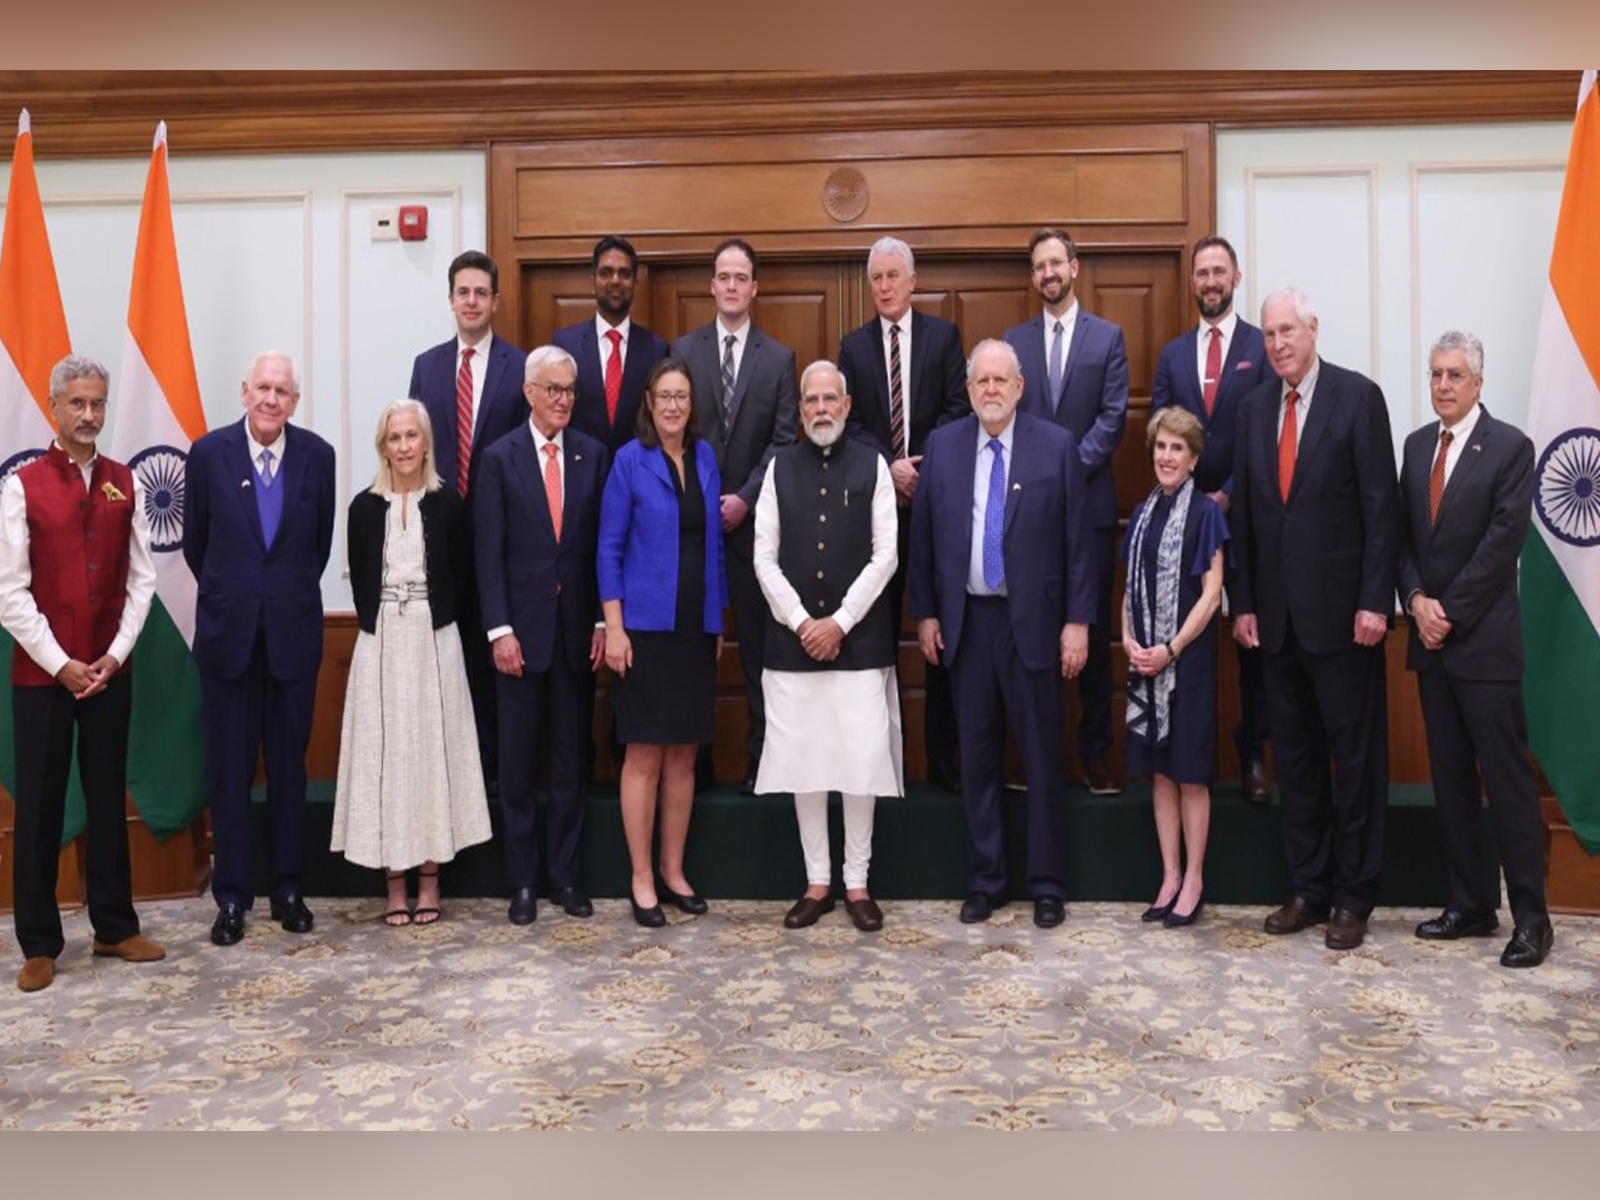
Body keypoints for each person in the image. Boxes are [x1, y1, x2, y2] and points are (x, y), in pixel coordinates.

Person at [1230, 288, 1399, 951]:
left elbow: (1382, 510)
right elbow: (1248, 517)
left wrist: (1375, 600)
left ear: (1313, 329)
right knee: (1296, 763)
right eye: (1270, 333)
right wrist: (1243, 601)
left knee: (1353, 763)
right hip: (1275, 623)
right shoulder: (1252, 410)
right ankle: (1308, 887)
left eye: (1288, 331)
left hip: (1346, 620)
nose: (1278, 343)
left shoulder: (1358, 398)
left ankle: (1354, 897)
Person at [909, 339, 1094, 928]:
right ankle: (985, 881)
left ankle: (1047, 884)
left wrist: (1077, 623)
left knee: (1041, 757)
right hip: (968, 623)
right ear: (968, 391)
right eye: (981, 381)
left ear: (1020, 387)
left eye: (1000, 380)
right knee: (979, 759)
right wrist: (927, 613)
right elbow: (924, 538)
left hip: (1034, 623)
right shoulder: (943, 446)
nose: (991, 389)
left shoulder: (1056, 446)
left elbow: (1079, 543)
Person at [0, 355, 165, 991]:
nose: (89, 414)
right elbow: (10, 592)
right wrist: (61, 664)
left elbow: (142, 580)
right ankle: (39, 943)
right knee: (40, 805)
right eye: (77, 403)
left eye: (97, 403)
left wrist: (114, 656)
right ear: (54, 408)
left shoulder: (126, 482)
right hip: (44, 676)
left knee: (106, 794)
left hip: (107, 672)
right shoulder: (22, 486)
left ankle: (114, 927)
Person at [1399, 332, 1551, 968]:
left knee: (1508, 787)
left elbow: (1501, 545)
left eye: (1455, 375)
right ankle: (1471, 904)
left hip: (1484, 648)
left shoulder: (1511, 448)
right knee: (1452, 781)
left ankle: (1533, 921)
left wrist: (1447, 613)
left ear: (1479, 382)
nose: (1443, 385)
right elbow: (1403, 540)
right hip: (1431, 648)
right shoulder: (1415, 447)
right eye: (1435, 374)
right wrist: (1415, 601)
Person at [184, 351, 336, 947]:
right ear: (245, 391)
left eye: (283, 391)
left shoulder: (318, 456)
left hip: (292, 638)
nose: (272, 399)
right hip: (229, 640)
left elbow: (318, 546)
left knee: (289, 772)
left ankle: (288, 890)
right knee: (229, 771)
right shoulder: (207, 454)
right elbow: (197, 545)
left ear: (295, 401)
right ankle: (231, 898)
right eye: (263, 388)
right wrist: (240, 596)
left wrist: (276, 596)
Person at [753, 361, 902, 932]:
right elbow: (763, 557)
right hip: (792, 646)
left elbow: (885, 555)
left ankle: (857, 882)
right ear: (801, 408)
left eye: (829, 399)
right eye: (811, 400)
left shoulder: (873, 465)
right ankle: (817, 883)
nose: (820, 409)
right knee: (806, 764)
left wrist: (838, 622)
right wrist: (801, 622)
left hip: (859, 643)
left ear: (845, 405)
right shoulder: (778, 468)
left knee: (862, 764)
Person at [332, 400, 491, 926]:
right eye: (394, 437)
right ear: (383, 447)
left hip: (435, 639)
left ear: (426, 444)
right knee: (386, 758)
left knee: (429, 755)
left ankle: (429, 880)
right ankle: (394, 885)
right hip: (380, 642)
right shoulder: (362, 507)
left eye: (411, 436)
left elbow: (462, 579)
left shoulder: (449, 505)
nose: (403, 446)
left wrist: (430, 619)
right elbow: (361, 578)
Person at [475, 345, 608, 925]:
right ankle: (523, 881)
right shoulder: (498, 458)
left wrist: (602, 620)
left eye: (570, 391)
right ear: (529, 393)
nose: (563, 400)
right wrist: (499, 629)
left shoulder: (593, 455)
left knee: (569, 764)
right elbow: (488, 552)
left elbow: (603, 546)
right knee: (519, 765)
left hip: (577, 634)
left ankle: (566, 878)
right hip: (519, 639)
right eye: (553, 389)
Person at [598, 359, 728, 927]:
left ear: (691, 405)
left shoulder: (704, 458)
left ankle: (673, 872)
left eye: (682, 396)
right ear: (649, 404)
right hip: (644, 632)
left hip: (693, 630)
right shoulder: (629, 461)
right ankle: (642, 877)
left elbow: (713, 548)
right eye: (664, 396)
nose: (673, 406)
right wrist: (614, 627)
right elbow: (608, 549)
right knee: (645, 755)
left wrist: (715, 622)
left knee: (683, 755)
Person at [839, 236, 967, 792]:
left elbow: (958, 409)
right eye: (877, 278)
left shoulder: (944, 337)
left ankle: (943, 761)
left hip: (935, 507)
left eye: (894, 276)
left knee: (940, 633)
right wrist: (890, 467)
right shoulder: (853, 347)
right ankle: (882, 761)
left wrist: (922, 466)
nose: (885, 286)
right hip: (877, 515)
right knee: (877, 637)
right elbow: (850, 422)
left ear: (913, 282)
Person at [1005, 227, 1129, 796]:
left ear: (1074, 268)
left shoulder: (1108, 338)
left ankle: (1095, 756)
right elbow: (1006, 419)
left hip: (1091, 512)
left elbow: (1112, 418)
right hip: (1028, 515)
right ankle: (1034, 757)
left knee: (1093, 636)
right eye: (1039, 266)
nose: (1048, 273)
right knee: (1031, 634)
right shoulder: (1014, 343)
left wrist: (1064, 472)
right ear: (1033, 276)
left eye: (1056, 263)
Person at [673, 238, 798, 793]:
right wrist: (705, 499)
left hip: (755, 530)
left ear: (754, 287)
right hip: (693, 530)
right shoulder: (683, 350)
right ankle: (695, 760)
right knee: (694, 651)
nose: (730, 285)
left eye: (740, 277)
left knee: (758, 652)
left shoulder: (779, 358)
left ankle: (761, 759)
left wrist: (745, 497)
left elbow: (784, 440)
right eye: (722, 276)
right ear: (712, 286)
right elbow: (675, 431)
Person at [1150, 235, 1272, 801]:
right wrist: (1197, 502)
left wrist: (1227, 493)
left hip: (1247, 520)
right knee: (1186, 637)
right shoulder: (1173, 355)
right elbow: (1161, 432)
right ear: (1192, 281)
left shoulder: (1260, 347)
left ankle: (1253, 756)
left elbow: (1268, 434)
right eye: (1202, 272)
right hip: (1187, 523)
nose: (1210, 281)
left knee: (1251, 642)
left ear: (1236, 278)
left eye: (1219, 271)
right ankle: (1182, 755)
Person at [407, 250, 528, 796]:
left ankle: (492, 773)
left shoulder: (520, 368)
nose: (472, 302)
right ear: (451, 300)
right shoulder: (427, 366)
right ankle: (446, 773)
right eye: (463, 292)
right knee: (441, 662)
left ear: (496, 301)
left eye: (481, 293)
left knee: (489, 663)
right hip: (438, 541)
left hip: (501, 541)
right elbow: (412, 449)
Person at [1121, 407, 1229, 928]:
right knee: (1160, 774)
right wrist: (1127, 638)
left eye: (1177, 449)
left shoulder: (1206, 513)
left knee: (1189, 774)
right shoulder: (1143, 514)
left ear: (1193, 459)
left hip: (1188, 663)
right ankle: (1169, 876)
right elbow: (1128, 587)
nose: (1166, 457)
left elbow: (1212, 595)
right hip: (1146, 663)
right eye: (1161, 447)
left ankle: (1195, 880)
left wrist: (1172, 647)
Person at [556, 235, 670, 458]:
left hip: (637, 471)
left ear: (635, 283)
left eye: (624, 274)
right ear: (593, 281)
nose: (615, 281)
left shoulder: (656, 349)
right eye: (606, 273)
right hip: (579, 470)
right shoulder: (565, 345)